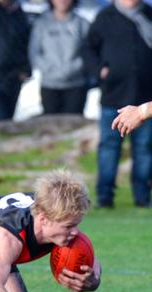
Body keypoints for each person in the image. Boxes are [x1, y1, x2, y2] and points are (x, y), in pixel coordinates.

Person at [82, 0, 152, 208]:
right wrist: (99, 71)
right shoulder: (105, 17)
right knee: (109, 148)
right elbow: (87, 49)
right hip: (114, 96)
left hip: (145, 95)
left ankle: (142, 197)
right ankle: (104, 197)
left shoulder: (148, 15)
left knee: (145, 149)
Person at [29, 0, 90, 115]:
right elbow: (34, 52)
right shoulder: (41, 23)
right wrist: (52, 71)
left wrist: (69, 71)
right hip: (49, 84)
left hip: (75, 85)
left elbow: (87, 54)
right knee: (50, 126)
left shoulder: (82, 24)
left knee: (73, 126)